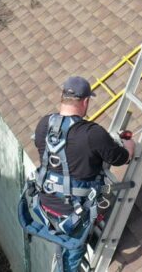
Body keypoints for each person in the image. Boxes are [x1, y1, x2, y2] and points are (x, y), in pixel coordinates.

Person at [30, 76, 136, 272]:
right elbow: (120, 158)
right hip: (74, 214)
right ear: (86, 101)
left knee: (63, 248)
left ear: (62, 97)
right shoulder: (92, 133)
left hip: (45, 205)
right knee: (71, 259)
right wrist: (129, 146)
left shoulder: (44, 124)